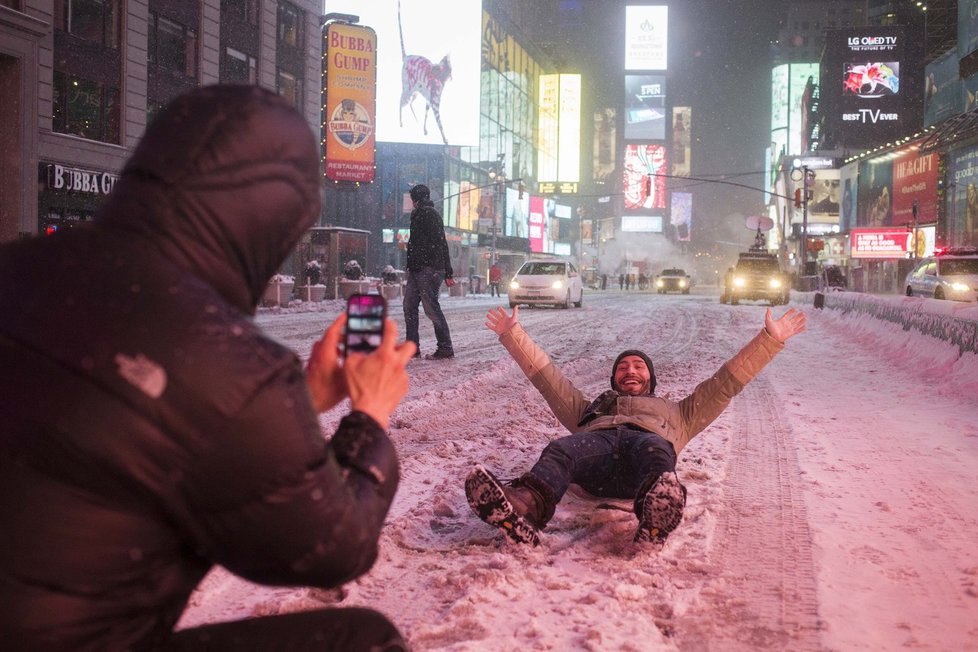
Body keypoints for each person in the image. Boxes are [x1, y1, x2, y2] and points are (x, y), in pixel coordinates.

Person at [0, 85, 416, 651]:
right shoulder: (230, 364)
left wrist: (305, 397)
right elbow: (330, 546)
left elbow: (162, 426)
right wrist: (368, 414)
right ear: (268, 222)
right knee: (362, 641)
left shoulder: (19, 265)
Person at [465, 304, 807, 546]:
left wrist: (769, 341)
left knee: (656, 450)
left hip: (641, 465)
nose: (630, 370)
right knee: (561, 449)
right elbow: (547, 379)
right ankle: (522, 507)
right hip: (595, 461)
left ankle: (656, 513)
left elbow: (726, 382)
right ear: (614, 378)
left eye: (638, 366)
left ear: (650, 378)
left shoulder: (679, 413)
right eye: (623, 367)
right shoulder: (590, 412)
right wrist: (513, 335)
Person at [404, 183, 455, 360]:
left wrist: (447, 271)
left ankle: (445, 347)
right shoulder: (418, 215)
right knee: (409, 306)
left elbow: (440, 242)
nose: (412, 203)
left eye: (413, 199)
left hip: (429, 268)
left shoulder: (429, 214)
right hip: (418, 268)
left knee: (431, 308)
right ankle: (412, 347)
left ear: (417, 199)